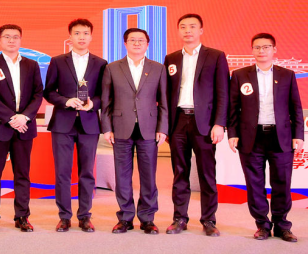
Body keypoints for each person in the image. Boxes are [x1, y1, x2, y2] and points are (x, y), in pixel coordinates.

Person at [227, 33, 304, 242]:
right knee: (254, 184)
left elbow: (296, 107)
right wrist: (232, 133)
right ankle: (262, 225)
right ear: (252, 50)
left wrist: (298, 135)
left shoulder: (287, 75)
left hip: (281, 137)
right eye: (257, 47)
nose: (261, 51)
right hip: (251, 138)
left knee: (282, 183)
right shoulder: (240, 75)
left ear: (274, 49)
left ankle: (282, 225)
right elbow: (233, 108)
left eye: (266, 47)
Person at [163, 13, 229, 236]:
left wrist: (219, 123)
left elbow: (223, 92)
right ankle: (179, 218)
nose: (187, 30)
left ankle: (208, 220)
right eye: (183, 27)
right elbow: (166, 94)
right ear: (178, 31)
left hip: (205, 123)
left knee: (206, 174)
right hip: (178, 121)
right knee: (179, 173)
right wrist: (166, 126)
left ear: (201, 30)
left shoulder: (216, 56)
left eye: (192, 26)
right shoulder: (171, 58)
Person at [101, 28, 168, 234]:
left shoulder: (158, 68)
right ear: (125, 43)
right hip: (120, 128)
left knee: (148, 176)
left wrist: (162, 128)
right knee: (122, 176)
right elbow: (106, 101)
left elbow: (164, 101)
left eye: (141, 40)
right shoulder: (112, 68)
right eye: (132, 40)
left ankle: (147, 218)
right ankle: (125, 218)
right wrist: (107, 128)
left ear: (147, 44)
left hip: (149, 129)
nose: (137, 43)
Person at [44, 19, 107, 233]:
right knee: (62, 172)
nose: (81, 37)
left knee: (86, 172)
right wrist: (65, 101)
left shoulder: (101, 63)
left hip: (89, 124)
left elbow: (104, 94)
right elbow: (49, 92)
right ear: (70, 37)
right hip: (63, 123)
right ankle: (64, 217)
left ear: (91, 36)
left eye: (85, 33)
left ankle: (85, 216)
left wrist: (93, 104)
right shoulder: (57, 61)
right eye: (77, 33)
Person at [0, 24, 44, 233]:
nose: (11, 40)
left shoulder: (31, 65)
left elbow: (38, 94)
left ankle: (22, 216)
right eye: (7, 37)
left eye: (15, 37)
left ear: (20, 40)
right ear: (0, 40)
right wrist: (10, 118)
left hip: (24, 127)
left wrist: (24, 117)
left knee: (22, 174)